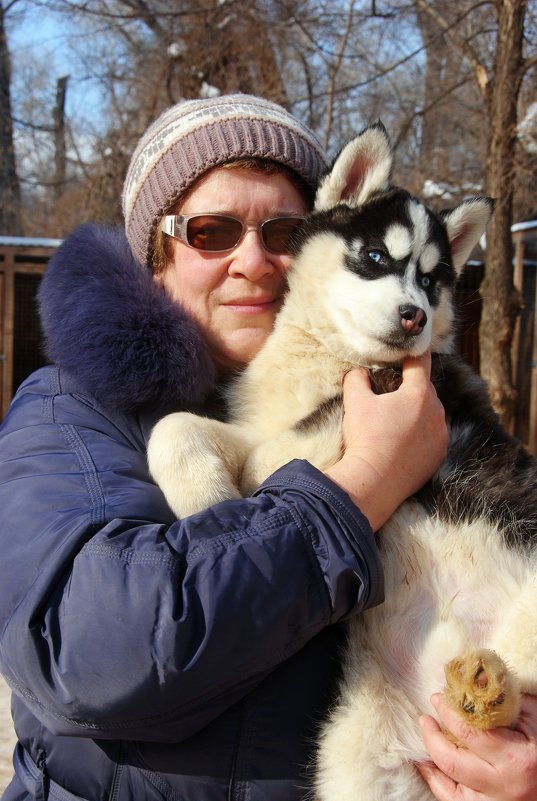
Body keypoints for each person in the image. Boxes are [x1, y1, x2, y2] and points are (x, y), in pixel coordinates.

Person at [0, 94, 534, 801]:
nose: (251, 261)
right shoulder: (70, 411)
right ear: (155, 258)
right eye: (212, 231)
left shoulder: (388, 398)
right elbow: (91, 654)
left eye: (281, 231)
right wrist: (364, 481)